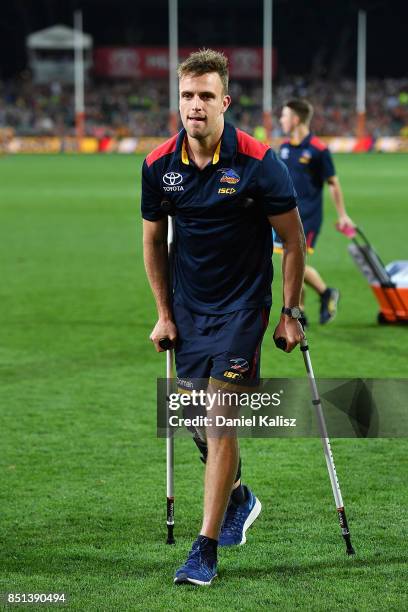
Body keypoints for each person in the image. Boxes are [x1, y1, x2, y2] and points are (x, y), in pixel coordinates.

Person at [142, 49, 305, 586]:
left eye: (206, 96)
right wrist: (164, 314)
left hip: (243, 307)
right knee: (193, 421)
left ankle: (204, 546)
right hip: (190, 309)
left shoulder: (259, 161)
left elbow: (294, 238)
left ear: (225, 102)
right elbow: (153, 241)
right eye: (187, 95)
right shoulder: (157, 165)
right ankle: (239, 496)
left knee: (218, 417)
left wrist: (289, 312)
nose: (195, 105)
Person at [277, 98, 355, 325]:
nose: (281, 119)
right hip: (285, 214)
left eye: (284, 115)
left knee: (292, 262)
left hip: (307, 216)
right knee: (291, 263)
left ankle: (324, 293)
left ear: (296, 119)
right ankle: (301, 310)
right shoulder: (284, 148)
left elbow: (333, 182)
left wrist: (342, 214)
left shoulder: (318, 150)